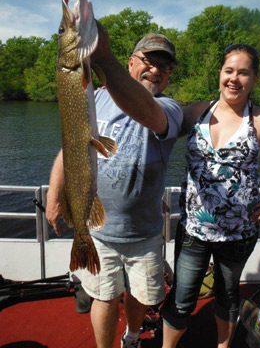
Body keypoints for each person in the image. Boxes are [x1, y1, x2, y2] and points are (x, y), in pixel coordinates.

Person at [46, 25, 183, 348]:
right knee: (104, 298)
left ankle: (132, 336)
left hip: (144, 233)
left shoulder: (170, 108)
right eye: (149, 60)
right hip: (97, 230)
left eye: (164, 66)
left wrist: (104, 59)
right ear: (131, 62)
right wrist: (54, 197)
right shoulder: (92, 97)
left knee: (140, 295)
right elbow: (70, 149)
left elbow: (147, 112)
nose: (156, 70)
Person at [161, 43, 260, 348]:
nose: (234, 78)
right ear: (220, 73)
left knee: (227, 295)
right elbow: (159, 130)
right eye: (229, 70)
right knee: (182, 299)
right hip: (194, 232)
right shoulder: (197, 112)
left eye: (243, 72)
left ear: (254, 79)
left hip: (239, 235)